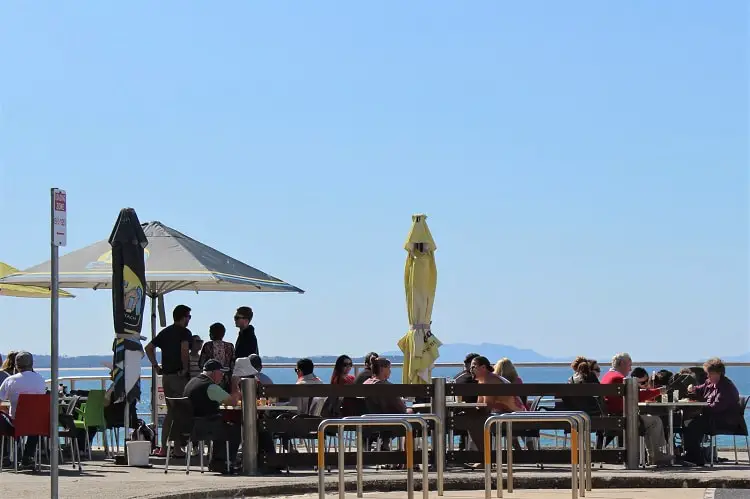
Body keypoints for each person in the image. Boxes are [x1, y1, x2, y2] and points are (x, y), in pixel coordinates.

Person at [601, 353, 670, 467]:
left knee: (649, 420)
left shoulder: (607, 376)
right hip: (621, 418)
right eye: (629, 365)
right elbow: (635, 396)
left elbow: (632, 394)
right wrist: (658, 391)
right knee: (655, 421)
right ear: (622, 363)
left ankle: (653, 456)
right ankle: (657, 456)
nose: (630, 369)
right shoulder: (618, 378)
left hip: (612, 416)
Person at [145, 304, 192, 457]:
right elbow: (184, 350)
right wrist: (185, 369)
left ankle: (164, 448)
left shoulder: (165, 333)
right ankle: (177, 448)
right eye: (188, 317)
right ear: (183, 317)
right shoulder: (184, 333)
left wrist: (155, 366)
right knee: (180, 411)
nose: (189, 320)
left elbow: (149, 348)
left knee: (171, 412)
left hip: (166, 377)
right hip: (179, 376)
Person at [183, 360, 242, 473]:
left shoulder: (192, 382)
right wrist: (235, 384)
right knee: (234, 428)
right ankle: (223, 462)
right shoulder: (210, 387)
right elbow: (233, 402)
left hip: (190, 426)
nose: (223, 376)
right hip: (203, 426)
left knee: (221, 424)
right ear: (214, 372)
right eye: (221, 373)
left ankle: (218, 461)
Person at [681, 358, 741, 466]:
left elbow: (717, 408)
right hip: (712, 416)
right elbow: (700, 388)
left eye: (709, 374)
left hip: (725, 420)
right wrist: (693, 389)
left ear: (718, 373)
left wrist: (700, 408)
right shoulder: (710, 382)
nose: (707, 377)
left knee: (694, 425)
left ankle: (696, 457)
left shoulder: (726, 387)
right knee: (689, 422)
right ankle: (692, 454)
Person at [0, 351, 46, 469]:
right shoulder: (40, 379)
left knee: (2, 418)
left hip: (15, 423)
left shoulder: (11, 380)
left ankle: (4, 456)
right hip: (37, 424)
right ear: (32, 364)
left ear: (16, 365)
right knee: (33, 423)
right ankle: (27, 457)